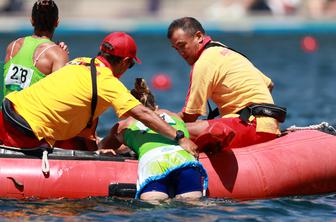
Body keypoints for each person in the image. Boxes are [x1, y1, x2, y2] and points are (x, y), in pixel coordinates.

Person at [0, 32, 198, 156]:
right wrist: (179, 137)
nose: (128, 69)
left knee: (79, 143)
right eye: (130, 64)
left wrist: (94, 152)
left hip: (7, 112)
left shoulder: (80, 61)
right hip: (23, 132)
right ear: (125, 61)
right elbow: (143, 114)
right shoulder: (107, 82)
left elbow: (77, 113)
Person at [167, 17, 286, 151]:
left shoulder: (203, 63)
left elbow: (190, 116)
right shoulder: (225, 50)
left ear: (199, 37)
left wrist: (161, 120)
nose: (181, 53)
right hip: (270, 126)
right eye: (176, 49)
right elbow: (269, 85)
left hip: (252, 127)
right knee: (199, 125)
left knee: (172, 130)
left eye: (182, 45)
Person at [99, 78, 207, 201]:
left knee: (153, 205)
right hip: (184, 158)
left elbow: (103, 147)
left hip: (154, 161)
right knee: (193, 204)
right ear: (156, 106)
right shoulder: (174, 115)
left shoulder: (123, 125)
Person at [3, 0, 68, 97]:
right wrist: (62, 55)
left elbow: (13, 86)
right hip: (31, 112)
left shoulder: (13, 46)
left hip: (6, 111)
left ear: (32, 21)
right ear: (57, 22)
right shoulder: (57, 55)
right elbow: (59, 97)